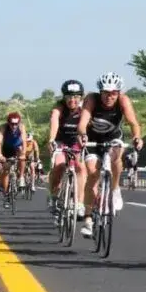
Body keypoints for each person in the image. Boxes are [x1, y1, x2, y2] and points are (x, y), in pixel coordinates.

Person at [76, 72, 144, 238]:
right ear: (100, 92)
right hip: (92, 140)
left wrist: (137, 137)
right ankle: (88, 219)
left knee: (115, 157)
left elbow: (133, 122)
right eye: (106, 93)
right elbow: (83, 122)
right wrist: (82, 135)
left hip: (113, 137)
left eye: (113, 93)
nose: (109, 97)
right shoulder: (91, 99)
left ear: (118, 92)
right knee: (92, 174)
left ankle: (114, 189)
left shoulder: (123, 100)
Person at [47, 79, 88, 220]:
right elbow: (54, 121)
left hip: (76, 141)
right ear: (64, 97)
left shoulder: (84, 109)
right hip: (60, 141)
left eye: (76, 96)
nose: (72, 100)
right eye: (69, 96)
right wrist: (51, 140)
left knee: (81, 168)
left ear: (81, 97)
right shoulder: (58, 108)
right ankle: (53, 196)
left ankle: (79, 203)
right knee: (59, 165)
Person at [0, 111, 28, 208]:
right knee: (6, 170)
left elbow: (24, 141)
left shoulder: (21, 127)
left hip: (17, 147)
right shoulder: (3, 128)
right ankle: (7, 194)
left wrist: (24, 154)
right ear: (8, 123)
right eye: (12, 124)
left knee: (22, 156)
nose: (14, 126)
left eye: (16, 123)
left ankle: (21, 177)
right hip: (6, 148)